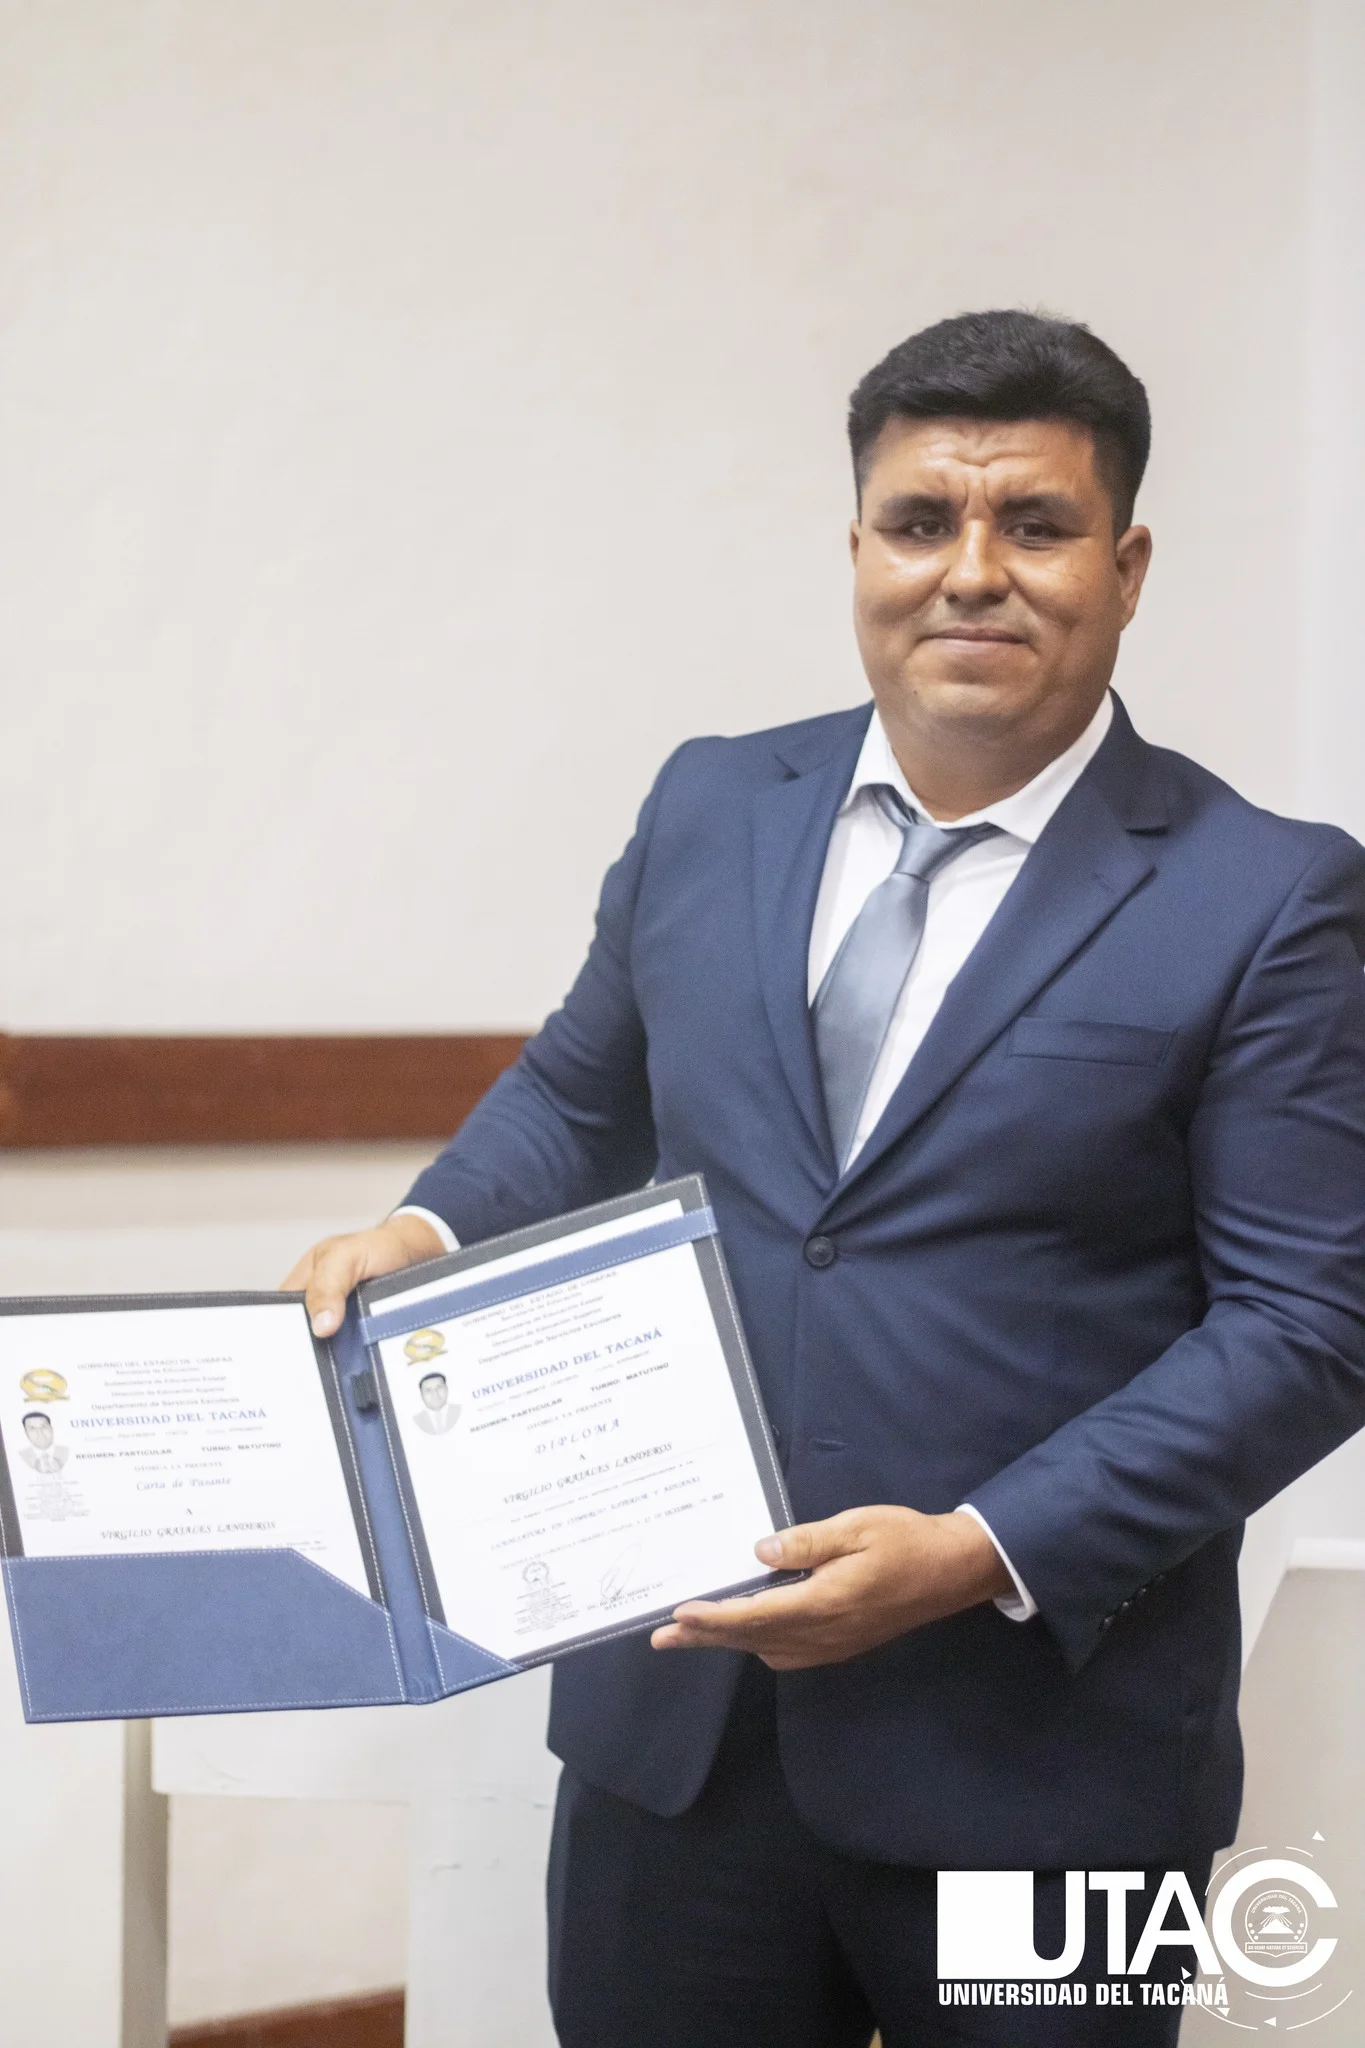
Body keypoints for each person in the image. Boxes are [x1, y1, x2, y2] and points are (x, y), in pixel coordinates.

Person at [284, 311, 1365, 2046]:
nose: (972, 572)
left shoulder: (1269, 893)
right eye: (921, 521)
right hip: (677, 1737)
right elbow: (578, 1096)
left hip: (1051, 1764)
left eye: (1036, 524)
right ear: (859, 548)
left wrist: (979, 1549)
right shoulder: (713, 806)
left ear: (1127, 566)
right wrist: (422, 1226)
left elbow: (1309, 1323)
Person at [412, 1369, 460, 1434]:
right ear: (421, 1395)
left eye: (439, 1387)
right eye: (428, 1390)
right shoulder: (417, 1420)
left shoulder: (460, 1410)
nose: (435, 1394)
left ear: (446, 1389)